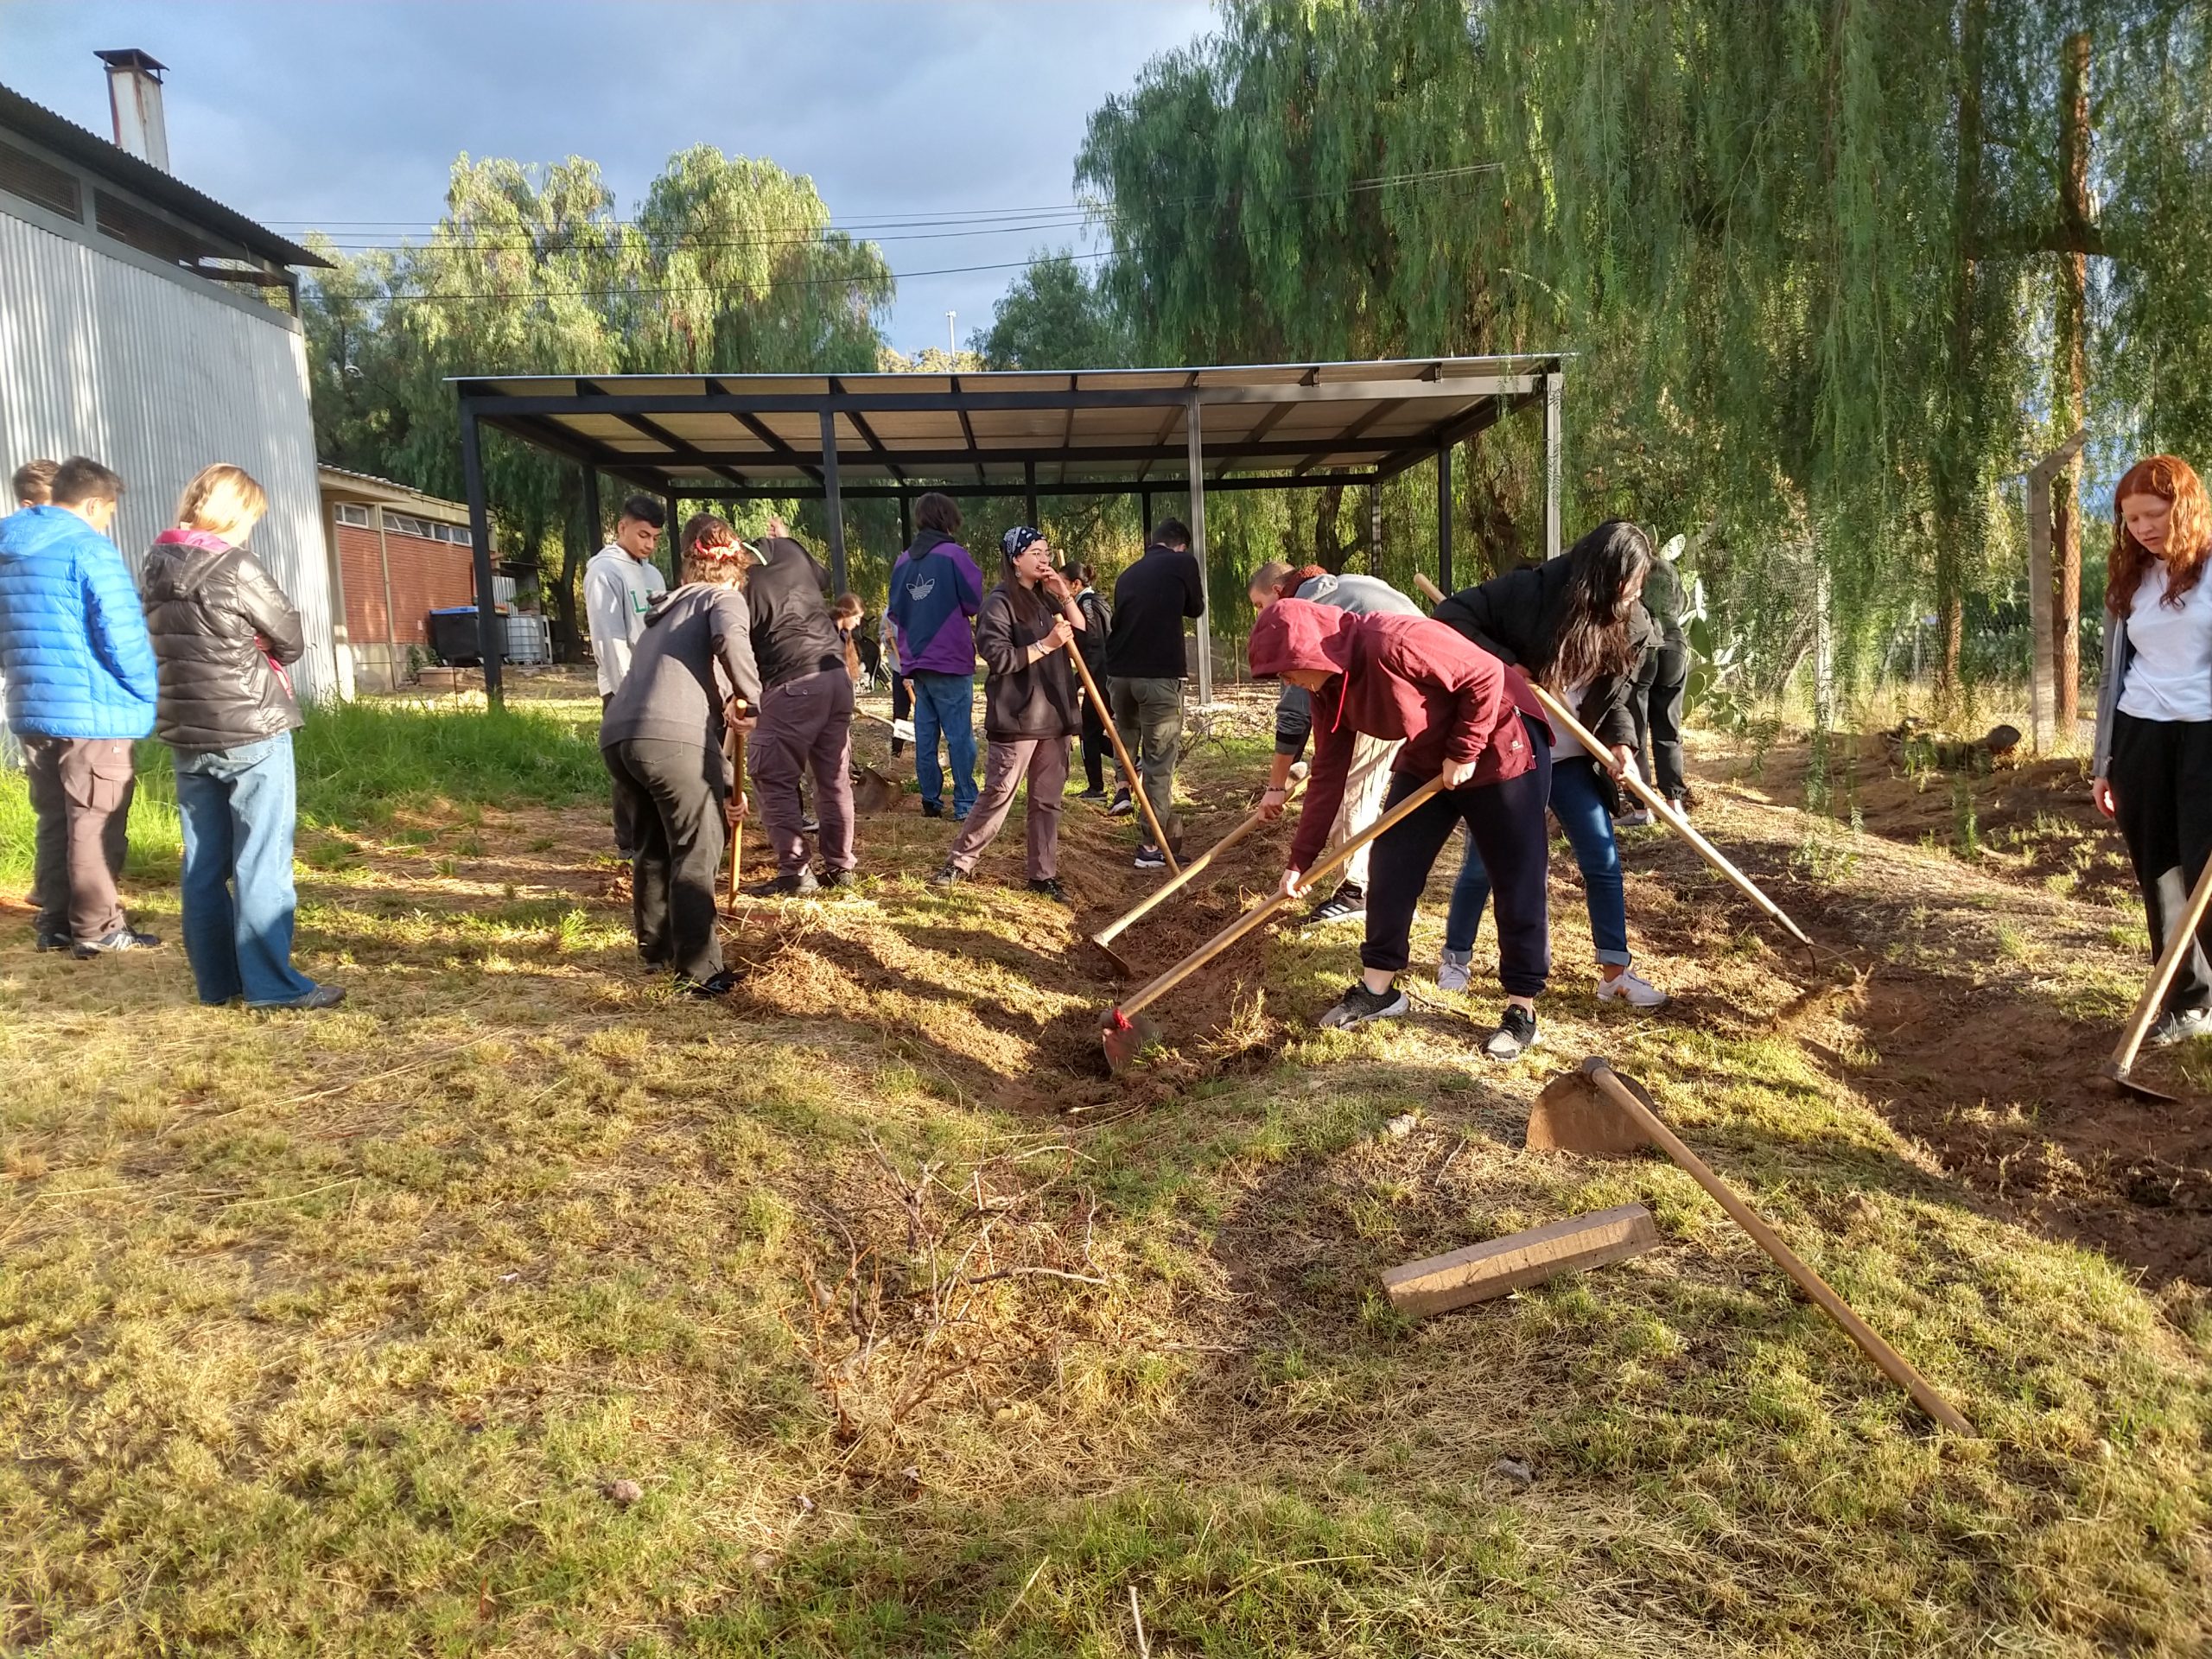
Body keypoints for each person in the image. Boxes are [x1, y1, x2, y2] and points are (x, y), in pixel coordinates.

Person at [1249, 597, 1551, 1060]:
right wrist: (1300, 862)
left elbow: (1487, 674)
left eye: (1287, 671)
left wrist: (1465, 751)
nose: (1287, 683)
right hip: (1431, 752)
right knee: (1392, 865)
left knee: (1515, 877)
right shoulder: (1326, 688)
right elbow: (1329, 772)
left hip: (1500, 744)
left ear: (1309, 652)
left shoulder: (1391, 641)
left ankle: (1521, 1009)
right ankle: (1379, 990)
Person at [1431, 522, 1669, 1010]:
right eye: (1632, 581)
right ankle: (1456, 956)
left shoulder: (1634, 624)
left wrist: (1622, 745)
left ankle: (1615, 972)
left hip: (1575, 759)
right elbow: (1450, 615)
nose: (1637, 592)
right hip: (1515, 753)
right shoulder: (1531, 592)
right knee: (1484, 864)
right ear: (1602, 575)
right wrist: (1504, 665)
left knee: (1602, 860)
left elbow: (1615, 703)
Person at [142, 464, 340, 1010]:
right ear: (236, 512)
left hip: (187, 731)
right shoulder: (235, 565)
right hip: (251, 727)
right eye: (252, 515)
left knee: (203, 864)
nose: (253, 527)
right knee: (261, 858)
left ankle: (218, 983)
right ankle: (273, 987)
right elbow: (291, 636)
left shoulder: (154, 564)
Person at [0, 455, 160, 957]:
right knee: (96, 820)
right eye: (108, 512)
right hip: (93, 710)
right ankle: (99, 927)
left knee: (54, 817)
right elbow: (122, 635)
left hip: (31, 706)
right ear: (92, 503)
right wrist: (145, 691)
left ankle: (55, 923)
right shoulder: (89, 549)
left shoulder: (7, 546)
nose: (107, 521)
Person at [600, 520, 761, 995]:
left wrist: (729, 784)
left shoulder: (665, 614)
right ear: (734, 571)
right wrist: (750, 697)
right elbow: (732, 641)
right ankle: (699, 970)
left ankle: (656, 952)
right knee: (697, 846)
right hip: (670, 738)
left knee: (652, 846)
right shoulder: (724, 599)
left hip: (621, 738)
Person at [2092, 454, 2212, 1046]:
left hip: (2205, 736)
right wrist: (2104, 763)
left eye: (2151, 513)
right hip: (2142, 735)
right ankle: (2186, 1000)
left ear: (2183, 507)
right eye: (2130, 518)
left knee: (2204, 866)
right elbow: (2112, 677)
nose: (2140, 527)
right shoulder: (2130, 579)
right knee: (2161, 872)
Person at [1249, 559, 1424, 923]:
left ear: (1279, 592)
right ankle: (1361, 883)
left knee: (1354, 789)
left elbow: (1296, 712)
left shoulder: (1305, 617)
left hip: (1397, 687)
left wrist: (1276, 785)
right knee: (1341, 781)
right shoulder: (1337, 586)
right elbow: (1323, 746)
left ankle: (1355, 891)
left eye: (1259, 605)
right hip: (1386, 684)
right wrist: (1301, 857)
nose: (1258, 617)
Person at [931, 528, 1087, 899]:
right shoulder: (999, 602)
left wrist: (1064, 594)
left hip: (1056, 715)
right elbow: (998, 657)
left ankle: (1042, 875)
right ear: (1016, 560)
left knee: (1047, 801)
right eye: (1035, 552)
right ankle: (959, 863)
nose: (1044, 558)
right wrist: (1046, 645)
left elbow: (1084, 635)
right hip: (1018, 717)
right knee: (998, 795)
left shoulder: (1048, 601)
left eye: (1046, 551)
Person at [741, 515, 857, 896]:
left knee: (772, 775)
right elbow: (823, 580)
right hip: (835, 675)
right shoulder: (791, 550)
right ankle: (840, 867)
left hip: (790, 682)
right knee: (833, 777)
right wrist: (792, 542)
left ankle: (795, 871)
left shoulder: (740, 581)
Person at [1105, 518, 1205, 868]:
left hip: (1119, 673)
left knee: (1125, 738)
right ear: (1180, 544)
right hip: (1159, 675)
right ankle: (1151, 846)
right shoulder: (1183, 562)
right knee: (1158, 760)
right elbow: (1195, 608)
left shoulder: (1128, 573)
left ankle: (1121, 790)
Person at [886, 493, 982, 819]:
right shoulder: (954, 555)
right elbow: (973, 601)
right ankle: (966, 801)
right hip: (950, 657)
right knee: (959, 735)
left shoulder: (902, 561)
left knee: (926, 733)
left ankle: (930, 799)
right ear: (949, 518)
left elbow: (895, 611)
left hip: (915, 659)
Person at [584, 495, 670, 858]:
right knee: (627, 765)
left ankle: (655, 833)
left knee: (654, 760)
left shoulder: (652, 572)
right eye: (642, 535)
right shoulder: (604, 571)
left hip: (656, 680)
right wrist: (623, 692)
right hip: (623, 686)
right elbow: (608, 635)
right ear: (622, 527)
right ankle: (628, 841)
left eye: (654, 538)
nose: (648, 544)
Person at [1628, 532, 1693, 818]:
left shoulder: (1633, 569)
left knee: (1637, 726)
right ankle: (1674, 803)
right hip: (1676, 645)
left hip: (1645, 646)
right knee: (1668, 726)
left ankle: (1643, 809)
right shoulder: (1668, 568)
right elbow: (1678, 604)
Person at [1072, 562, 1114, 802]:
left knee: (1088, 730)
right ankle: (1132, 762)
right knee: (1091, 731)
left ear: (1075, 585)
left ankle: (1097, 788)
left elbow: (1095, 645)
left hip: (1101, 678)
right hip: (1101, 676)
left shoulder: (1087, 605)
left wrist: (1081, 679)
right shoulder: (1090, 602)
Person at [880, 607, 912, 755]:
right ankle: (896, 750)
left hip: (921, 667)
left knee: (925, 710)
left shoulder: (921, 606)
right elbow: (882, 635)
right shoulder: (889, 613)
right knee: (900, 711)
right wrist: (886, 637)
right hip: (899, 668)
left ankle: (928, 748)